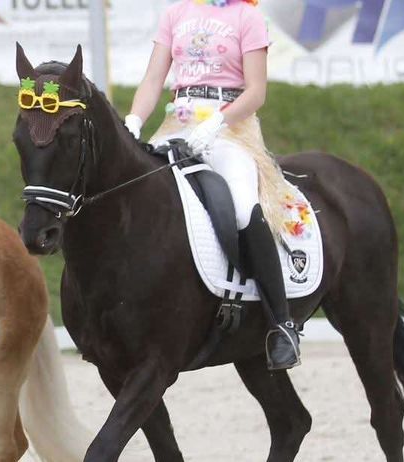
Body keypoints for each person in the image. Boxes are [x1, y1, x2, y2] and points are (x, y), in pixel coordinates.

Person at [124, 0, 300, 369]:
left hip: (230, 129)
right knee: (138, 192)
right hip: (176, 124)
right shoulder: (176, 13)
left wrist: (217, 122)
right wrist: (134, 121)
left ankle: (281, 324)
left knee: (243, 208)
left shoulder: (248, 16)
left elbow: (256, 91)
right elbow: (153, 80)